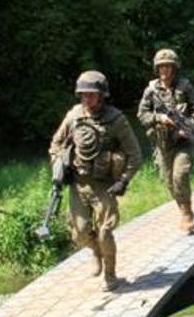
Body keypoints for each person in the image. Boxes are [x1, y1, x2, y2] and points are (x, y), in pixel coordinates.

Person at [49, 71, 143, 291]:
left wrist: (124, 180)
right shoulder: (73, 116)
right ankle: (94, 252)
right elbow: (56, 144)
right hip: (78, 182)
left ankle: (110, 275)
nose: (86, 99)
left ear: (102, 95)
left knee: (105, 232)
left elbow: (135, 154)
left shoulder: (116, 120)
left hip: (104, 185)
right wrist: (60, 167)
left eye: (91, 95)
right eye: (83, 95)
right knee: (79, 232)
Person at [137, 48, 194, 233]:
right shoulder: (151, 90)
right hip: (162, 142)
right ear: (157, 69)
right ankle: (183, 206)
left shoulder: (185, 86)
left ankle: (186, 213)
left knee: (180, 175)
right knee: (168, 181)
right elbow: (142, 114)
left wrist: (188, 126)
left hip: (182, 142)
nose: (165, 70)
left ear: (174, 68)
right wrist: (159, 118)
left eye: (168, 67)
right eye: (161, 67)